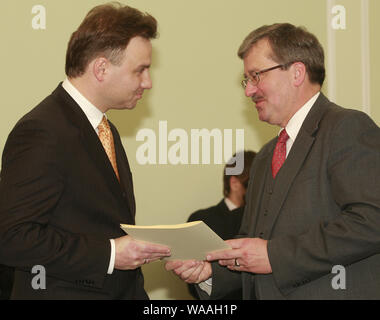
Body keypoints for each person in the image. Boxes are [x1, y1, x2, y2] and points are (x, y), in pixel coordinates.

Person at [166, 23, 380, 299]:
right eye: (247, 80)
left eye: (256, 76)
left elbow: (372, 219)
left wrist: (273, 255)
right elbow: (252, 248)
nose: (248, 91)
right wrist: (208, 273)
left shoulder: (346, 127)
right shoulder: (267, 155)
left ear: (297, 72)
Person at [0, 3, 171, 299]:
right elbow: (12, 238)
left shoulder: (105, 129)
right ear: (101, 68)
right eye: (140, 70)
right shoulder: (42, 131)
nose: (148, 82)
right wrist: (110, 253)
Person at [187, 150, 256, 299]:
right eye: (254, 184)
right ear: (235, 183)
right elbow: (194, 282)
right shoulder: (200, 221)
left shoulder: (261, 220)